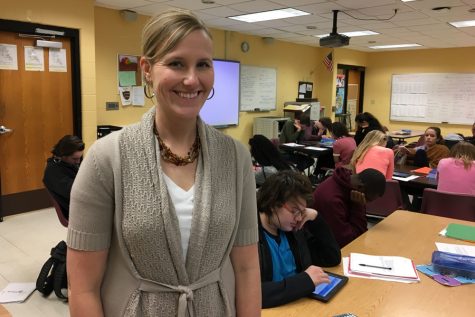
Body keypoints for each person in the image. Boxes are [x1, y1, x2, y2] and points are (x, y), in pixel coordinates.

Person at [66, 10, 261, 317]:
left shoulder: (235, 158)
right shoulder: (107, 159)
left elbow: (248, 269)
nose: (192, 79)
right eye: (176, 63)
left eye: (203, 65)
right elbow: (84, 288)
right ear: (147, 69)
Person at [257, 170, 341, 308]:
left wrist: (315, 217)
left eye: (302, 212)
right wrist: (305, 281)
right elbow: (254, 294)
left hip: (299, 303)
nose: (299, 218)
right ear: (273, 203)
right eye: (294, 211)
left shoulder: (292, 230)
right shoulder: (250, 238)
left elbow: (331, 258)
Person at [312, 167, 386, 247]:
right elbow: (350, 241)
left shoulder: (347, 183)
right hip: (321, 248)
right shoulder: (332, 200)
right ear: (360, 188)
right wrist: (358, 206)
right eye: (367, 199)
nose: (365, 203)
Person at [43, 135, 84, 220]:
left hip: (82, 205)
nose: (78, 162)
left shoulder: (65, 163)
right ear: (63, 155)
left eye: (80, 158)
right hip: (77, 212)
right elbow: (77, 193)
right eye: (75, 159)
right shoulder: (53, 171)